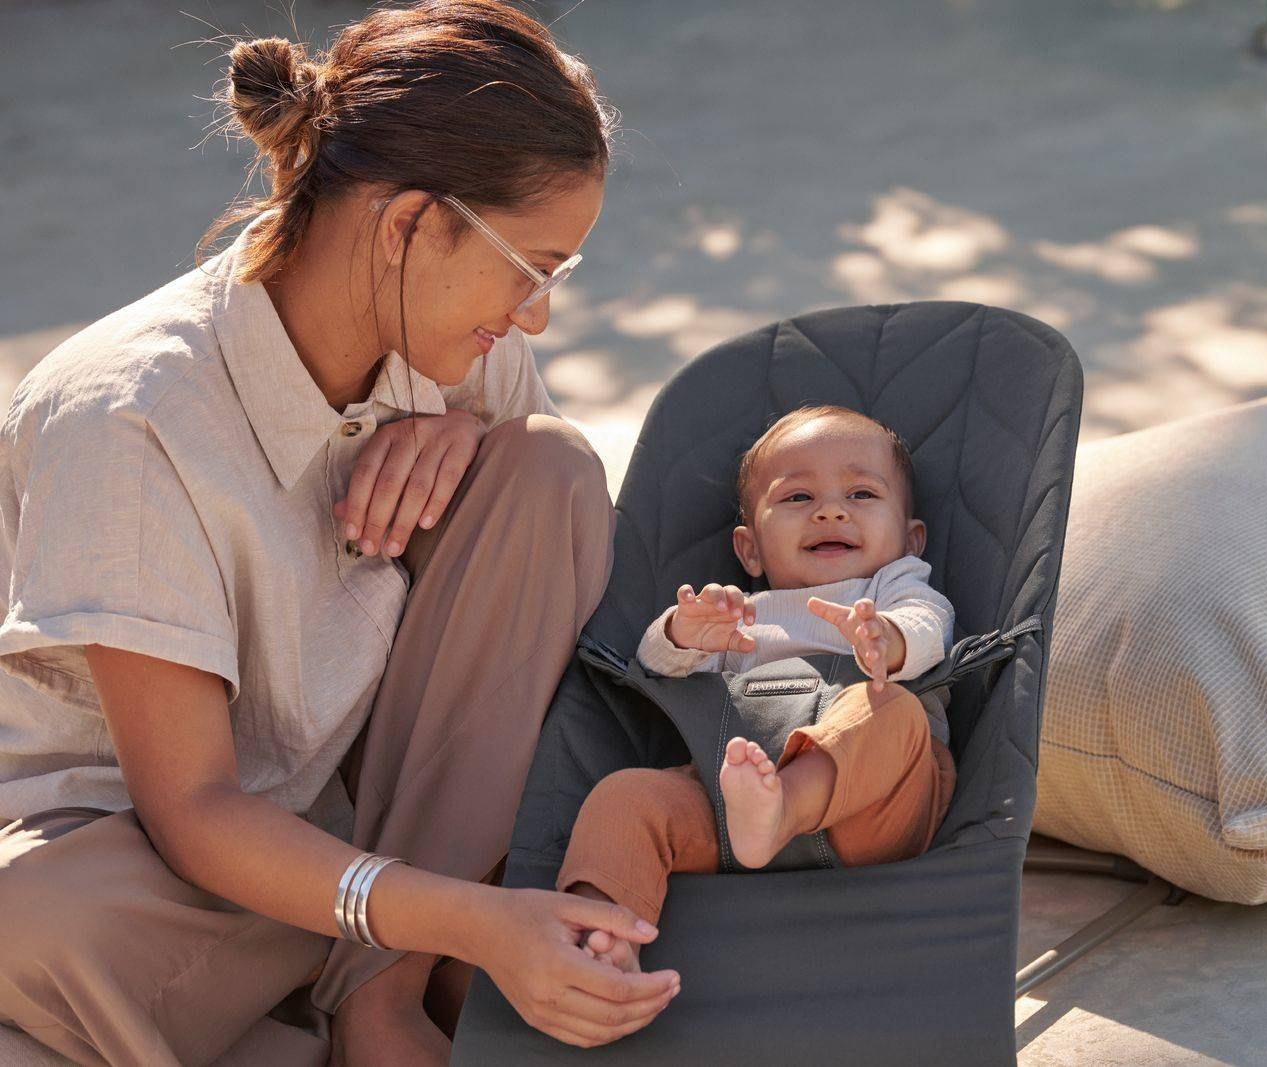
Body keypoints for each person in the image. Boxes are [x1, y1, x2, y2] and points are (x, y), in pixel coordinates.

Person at [0, 2, 682, 1063]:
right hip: (169, 862)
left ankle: (379, 995)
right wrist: (468, 917)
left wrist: (477, 438)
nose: (538, 313)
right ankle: (405, 957)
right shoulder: (130, 417)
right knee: (40, 922)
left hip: (366, 812)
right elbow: (196, 808)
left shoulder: (454, 344)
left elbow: (524, 567)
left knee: (548, 468)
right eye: (532, 267)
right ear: (409, 224)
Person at [554, 405, 960, 973]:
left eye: (862, 494)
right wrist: (684, 632)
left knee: (890, 710)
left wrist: (884, 638)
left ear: (911, 539)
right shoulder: (739, 616)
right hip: (730, 808)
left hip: (873, 814)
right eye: (798, 499)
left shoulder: (894, 587)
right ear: (749, 549)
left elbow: (929, 625)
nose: (830, 511)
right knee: (625, 798)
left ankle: (785, 805)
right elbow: (654, 668)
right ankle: (598, 939)